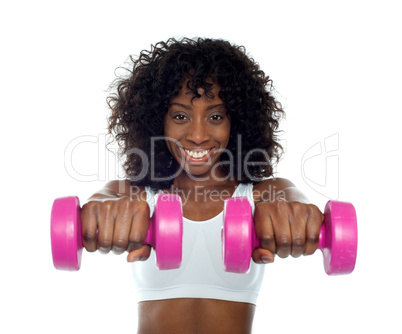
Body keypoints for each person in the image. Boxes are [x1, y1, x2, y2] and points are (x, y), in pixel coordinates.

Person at [81, 38, 324, 334]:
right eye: (181, 116)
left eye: (216, 116)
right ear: (158, 121)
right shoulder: (138, 196)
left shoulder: (261, 195)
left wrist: (294, 212)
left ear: (238, 122)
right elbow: (105, 198)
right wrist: (102, 210)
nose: (197, 135)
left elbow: (290, 198)